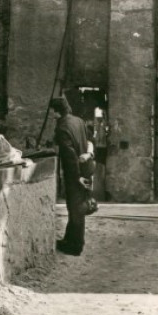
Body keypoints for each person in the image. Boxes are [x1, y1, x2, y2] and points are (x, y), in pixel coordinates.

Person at [51, 96, 91, 256]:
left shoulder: (62, 127)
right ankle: (69, 239)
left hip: (75, 173)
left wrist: (76, 177)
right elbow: (87, 142)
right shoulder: (79, 121)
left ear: (56, 112)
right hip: (85, 168)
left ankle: (75, 246)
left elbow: (69, 155)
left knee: (75, 209)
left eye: (52, 112)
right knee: (76, 207)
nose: (52, 115)